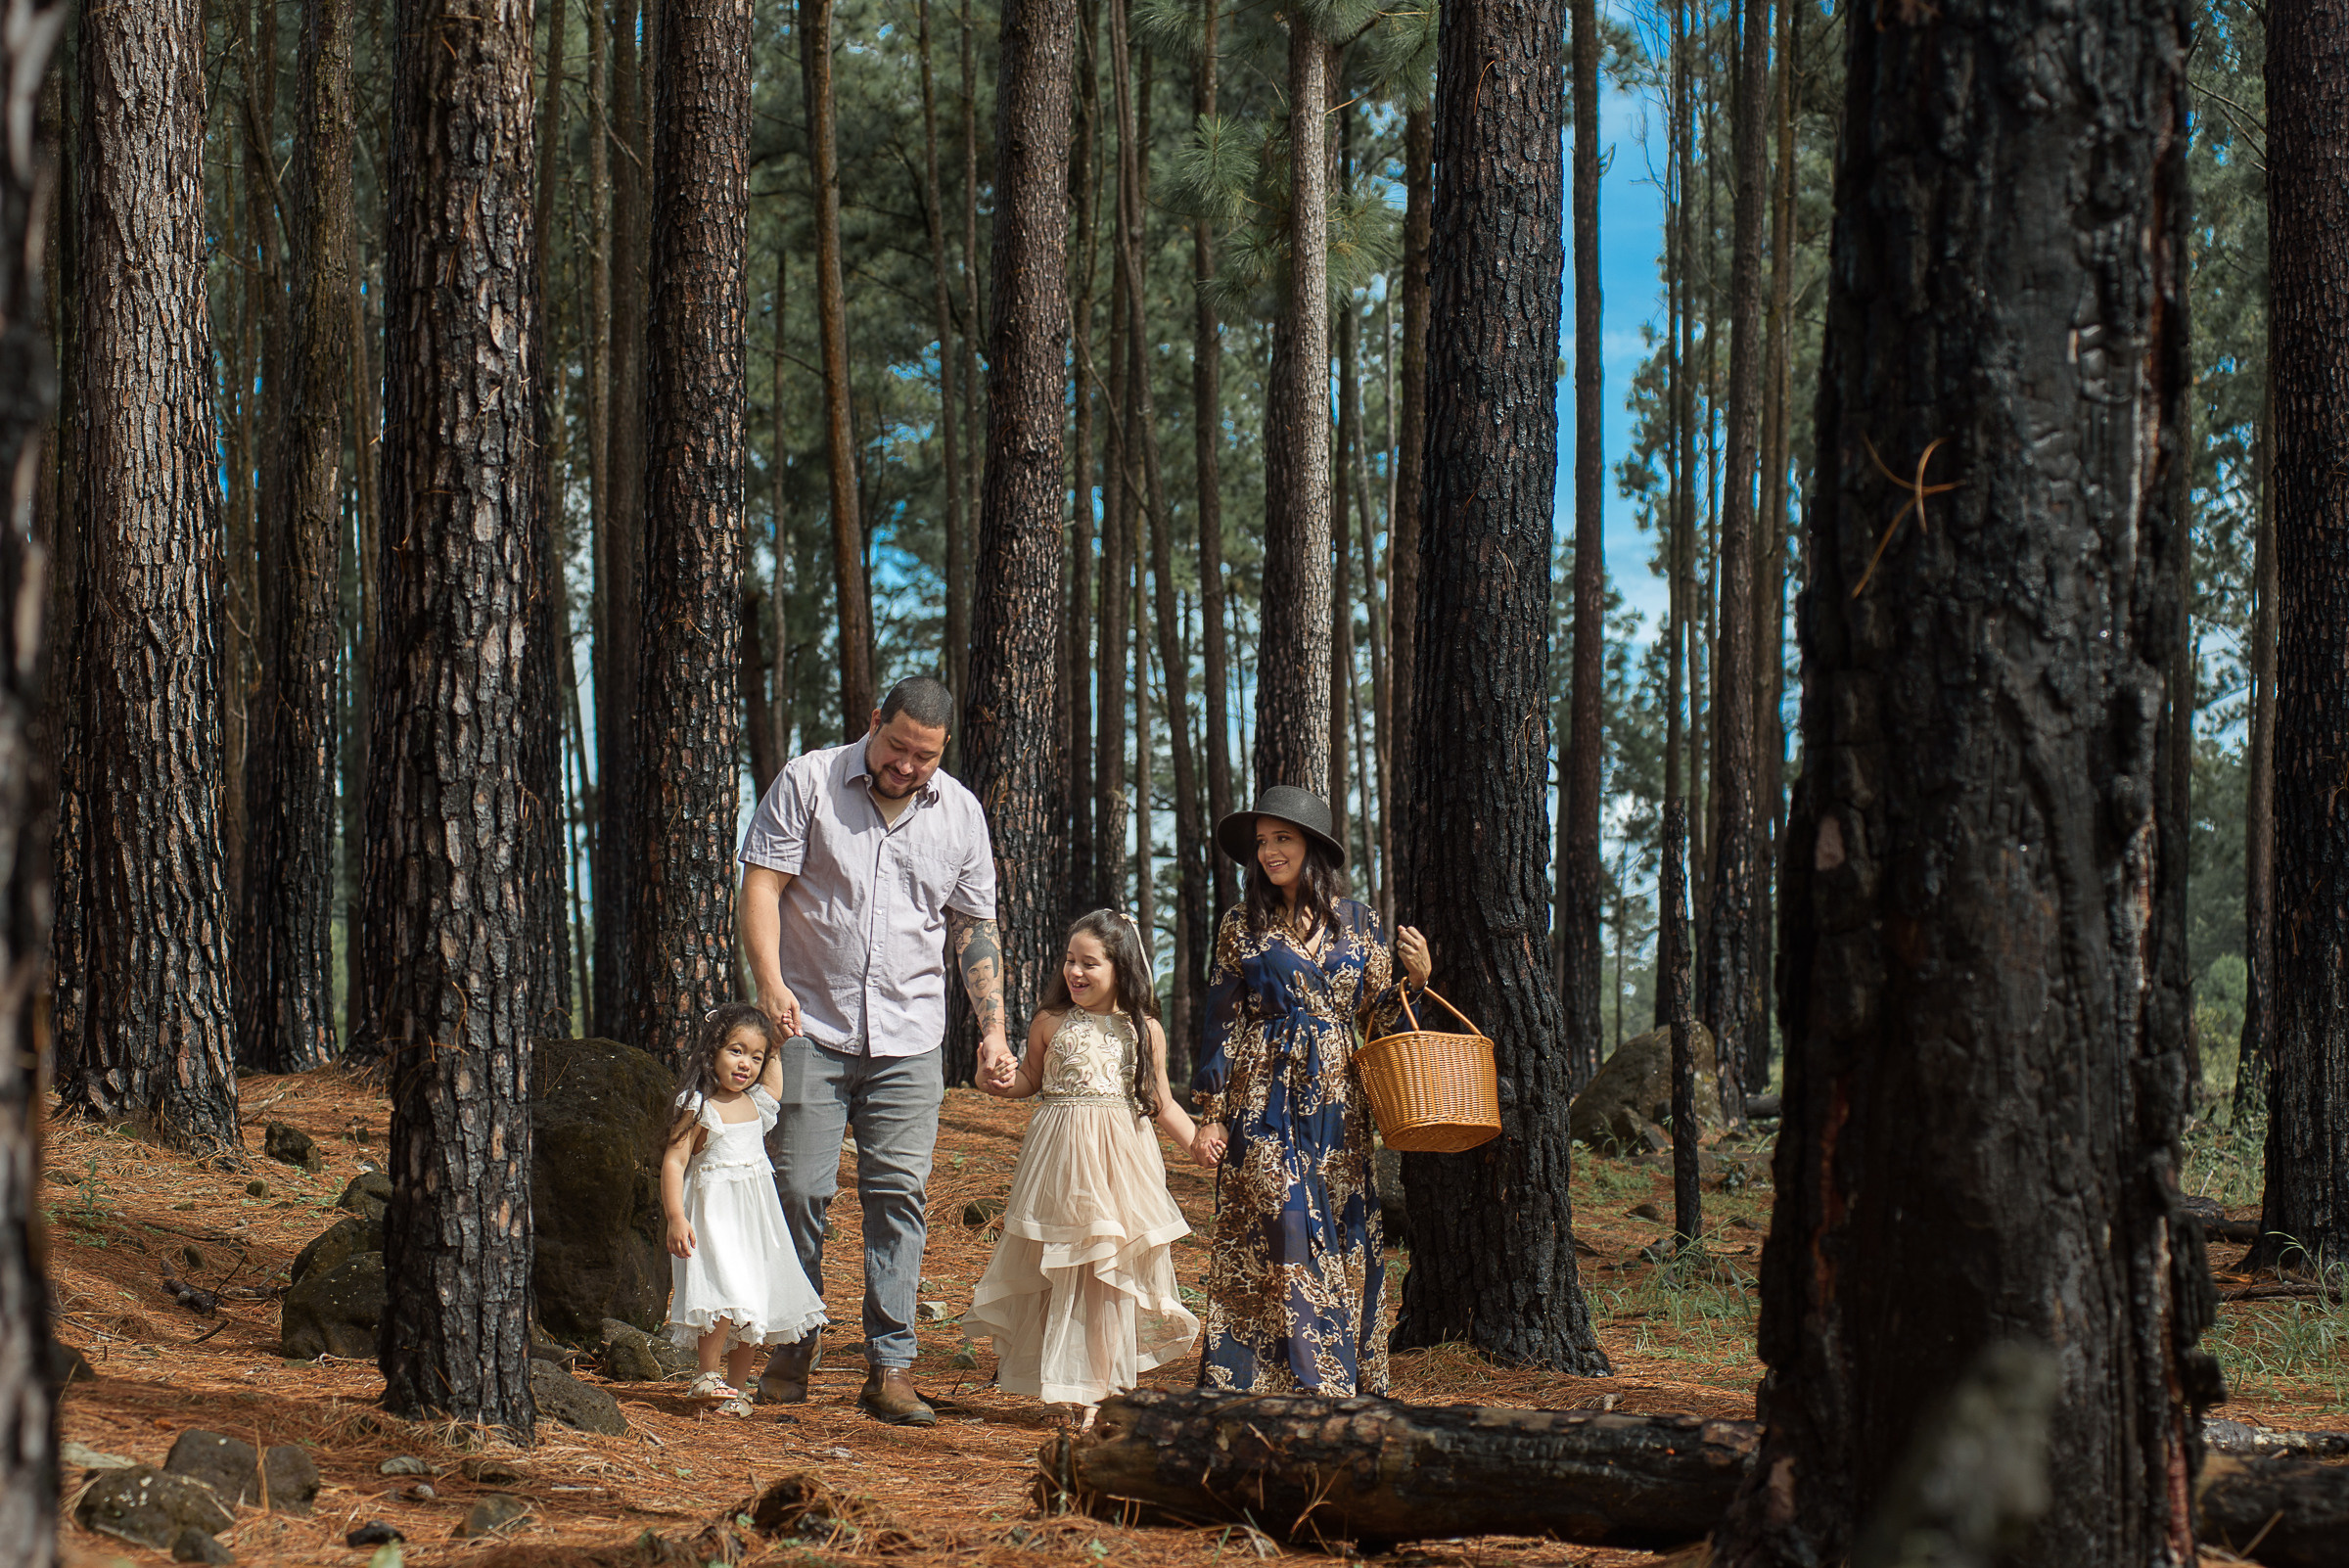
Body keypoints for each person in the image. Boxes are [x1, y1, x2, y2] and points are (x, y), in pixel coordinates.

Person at [737, 675, 1017, 1426]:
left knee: (898, 1197)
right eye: (898, 748)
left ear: (942, 750)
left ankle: (891, 1367)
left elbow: (973, 929)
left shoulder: (960, 813)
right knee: (798, 1187)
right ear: (874, 725)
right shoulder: (810, 780)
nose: (908, 766)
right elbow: (761, 885)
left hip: (910, 1040)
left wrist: (992, 1030)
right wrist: (769, 985)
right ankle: (793, 1340)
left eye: (925, 756)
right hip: (810, 1028)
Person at [1189, 785, 1431, 1396]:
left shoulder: (1360, 924)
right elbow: (1221, 1020)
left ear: (1312, 848)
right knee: (1279, 1225)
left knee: (1341, 1233)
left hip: (1339, 1111)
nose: (1269, 852)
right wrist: (1212, 1113)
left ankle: (1330, 1382)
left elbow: (1382, 1021)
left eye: (1282, 839)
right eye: (1262, 842)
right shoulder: (1241, 925)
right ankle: (1302, 1385)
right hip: (1261, 1102)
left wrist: (1420, 980)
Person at [963, 911, 1202, 1422]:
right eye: (1070, 961)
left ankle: (1099, 1387)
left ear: (1121, 967)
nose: (1075, 972)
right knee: (1060, 1269)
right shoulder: (1051, 1021)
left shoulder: (1145, 1030)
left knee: (1105, 1275)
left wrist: (1199, 1144)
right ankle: (1062, 1384)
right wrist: (992, 1077)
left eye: (1089, 963)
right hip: (1060, 1164)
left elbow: (1162, 1103)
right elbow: (1026, 1079)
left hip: (1120, 1165)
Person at [660, 1003, 828, 1417]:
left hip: (756, 1223)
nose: (746, 1064)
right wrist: (676, 1217)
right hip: (715, 1220)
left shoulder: (757, 1103)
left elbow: (774, 1088)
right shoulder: (699, 1106)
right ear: (713, 1050)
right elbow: (674, 1161)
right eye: (736, 1051)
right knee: (723, 1293)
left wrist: (776, 1045)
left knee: (754, 1300)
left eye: (756, 1057)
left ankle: (736, 1390)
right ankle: (706, 1375)